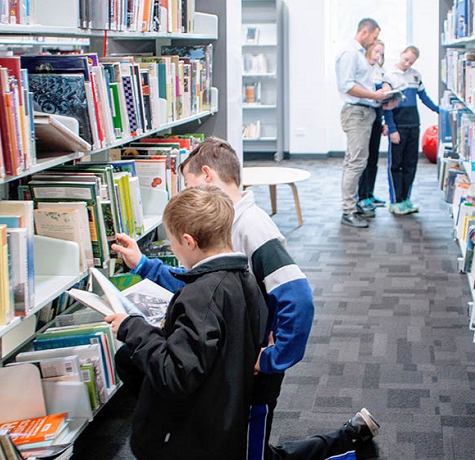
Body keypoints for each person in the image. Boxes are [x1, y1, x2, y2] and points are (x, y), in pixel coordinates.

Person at [111, 138, 316, 460]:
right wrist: (144, 265)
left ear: (207, 175)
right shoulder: (225, 226)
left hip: (253, 367)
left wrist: (274, 357)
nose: (187, 192)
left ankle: (342, 442)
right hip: (233, 360)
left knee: (254, 451)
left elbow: (298, 297)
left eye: (189, 184)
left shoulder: (252, 226)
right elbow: (199, 281)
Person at [104, 185, 267, 459]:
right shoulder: (244, 279)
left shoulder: (201, 296)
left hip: (190, 438)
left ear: (189, 241)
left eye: (172, 241)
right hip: (224, 421)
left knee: (128, 357)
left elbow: (176, 374)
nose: (172, 248)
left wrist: (133, 328)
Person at [335, 17, 394, 228]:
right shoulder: (350, 53)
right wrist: (373, 95)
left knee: (358, 160)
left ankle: (355, 205)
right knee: (355, 162)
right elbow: (346, 85)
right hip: (357, 112)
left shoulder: (360, 55)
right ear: (365, 32)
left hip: (365, 112)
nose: (375, 41)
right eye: (375, 37)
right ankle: (348, 211)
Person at [383, 45, 440, 215]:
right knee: (396, 164)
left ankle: (405, 199)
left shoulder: (416, 76)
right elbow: (387, 107)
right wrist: (392, 129)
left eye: (411, 61)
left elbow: (424, 98)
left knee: (410, 164)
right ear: (401, 54)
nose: (407, 63)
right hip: (398, 127)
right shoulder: (389, 76)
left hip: (413, 125)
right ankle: (395, 201)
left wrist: (439, 110)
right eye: (406, 59)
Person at [357, 39, 389, 213]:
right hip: (364, 113)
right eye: (376, 51)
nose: (378, 56)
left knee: (373, 158)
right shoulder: (362, 68)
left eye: (381, 53)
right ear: (368, 49)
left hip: (377, 114)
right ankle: (361, 196)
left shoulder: (380, 70)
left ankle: (369, 194)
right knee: (363, 157)